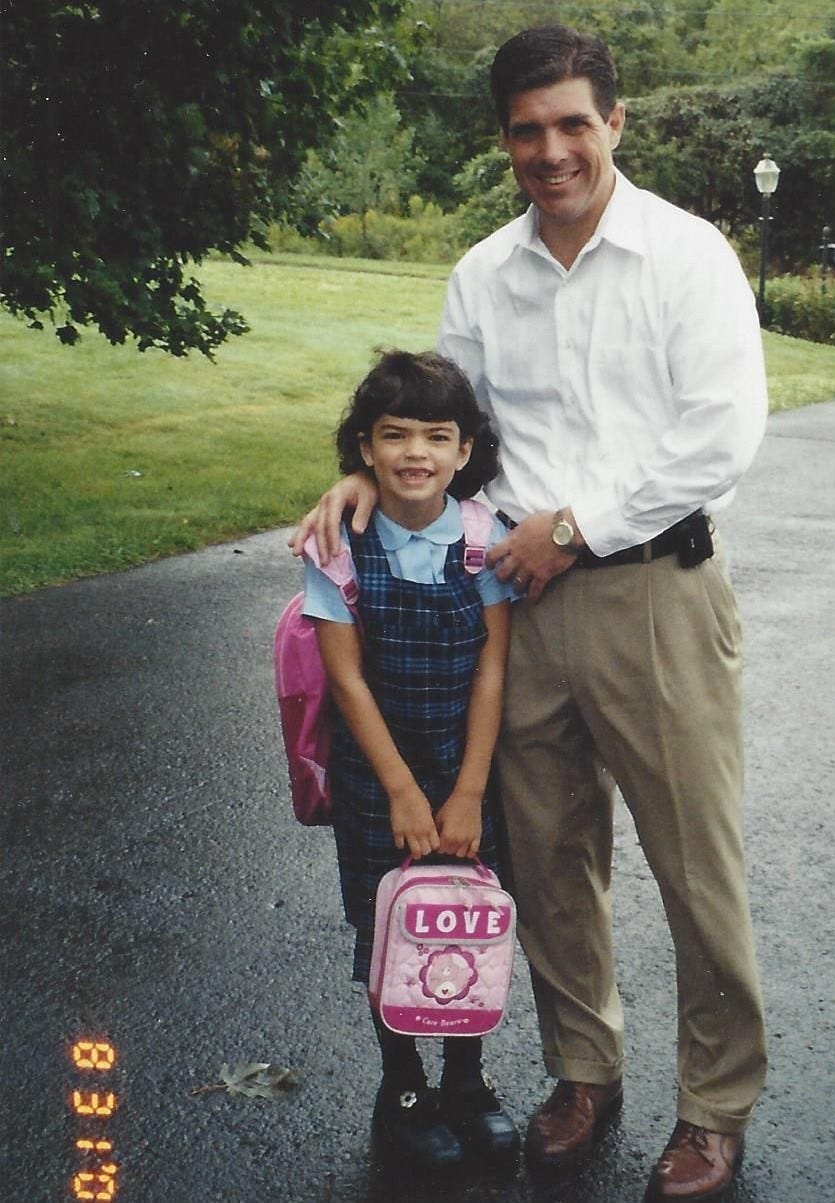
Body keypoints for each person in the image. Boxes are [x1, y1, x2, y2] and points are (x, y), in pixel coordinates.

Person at [293, 26, 768, 1202]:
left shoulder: (686, 255)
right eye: (526, 129)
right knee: (545, 859)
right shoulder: (481, 274)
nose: (550, 150)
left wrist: (575, 526)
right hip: (504, 611)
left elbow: (719, 433)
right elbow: (447, 424)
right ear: (505, 137)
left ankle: (714, 1108)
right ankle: (580, 1071)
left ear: (615, 122)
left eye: (571, 123)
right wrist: (368, 474)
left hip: (652, 591)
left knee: (692, 865)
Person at [301, 348, 519, 1170]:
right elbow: (345, 677)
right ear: (365, 447)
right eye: (394, 435)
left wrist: (468, 789)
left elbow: (493, 667)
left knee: (468, 923)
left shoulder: (484, 538)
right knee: (387, 925)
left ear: (465, 451)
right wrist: (399, 787)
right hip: (376, 777)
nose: (415, 453)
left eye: (437, 435)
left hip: (465, 770)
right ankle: (401, 1086)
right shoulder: (338, 545)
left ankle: (466, 1078)